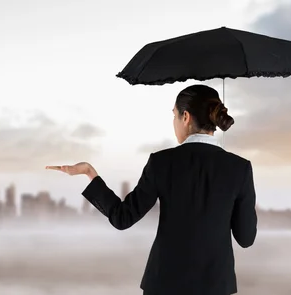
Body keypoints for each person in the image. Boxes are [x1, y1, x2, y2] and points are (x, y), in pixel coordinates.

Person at [46, 84, 258, 295]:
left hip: (164, 285)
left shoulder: (161, 162)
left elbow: (123, 218)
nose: (174, 122)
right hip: (216, 286)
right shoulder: (240, 168)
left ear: (185, 117)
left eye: (174, 115)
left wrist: (89, 173)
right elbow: (246, 239)